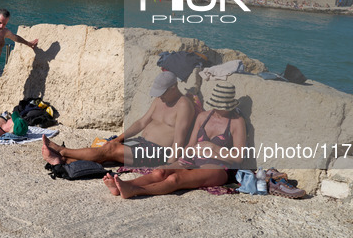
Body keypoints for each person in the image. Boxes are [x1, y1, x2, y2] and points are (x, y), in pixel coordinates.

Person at [103, 83, 247, 199]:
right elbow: (190, 144)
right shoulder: (204, 117)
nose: (217, 110)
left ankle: (136, 190)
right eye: (216, 105)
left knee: (175, 179)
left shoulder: (236, 122)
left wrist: (212, 148)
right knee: (160, 172)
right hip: (194, 159)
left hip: (217, 167)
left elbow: (238, 158)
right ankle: (122, 185)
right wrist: (183, 158)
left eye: (222, 107)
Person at [42, 71, 195, 167]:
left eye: (163, 92)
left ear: (174, 88)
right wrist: (119, 139)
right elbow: (141, 122)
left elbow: (179, 139)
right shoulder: (160, 100)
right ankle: (61, 161)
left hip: (157, 153)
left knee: (109, 150)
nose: (160, 96)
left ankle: (61, 151)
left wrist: (169, 165)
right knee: (106, 150)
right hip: (141, 144)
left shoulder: (184, 105)